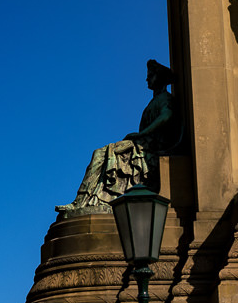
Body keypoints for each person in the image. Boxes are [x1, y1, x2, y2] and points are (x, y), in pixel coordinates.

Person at [57, 61, 181, 215]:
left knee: (102, 153)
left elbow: (167, 116)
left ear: (160, 78)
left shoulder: (165, 99)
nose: (147, 80)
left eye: (150, 76)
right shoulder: (155, 101)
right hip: (142, 145)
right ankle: (84, 200)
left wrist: (142, 134)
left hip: (150, 148)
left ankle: (93, 200)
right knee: (100, 153)